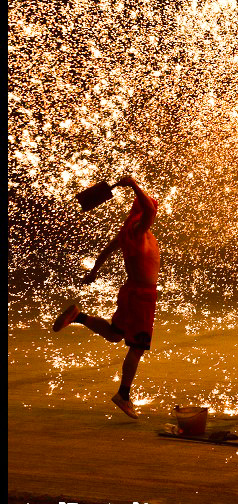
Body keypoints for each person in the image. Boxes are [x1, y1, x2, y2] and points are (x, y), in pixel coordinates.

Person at [52, 176, 160, 419]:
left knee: (114, 333)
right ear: (143, 211)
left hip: (132, 291)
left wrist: (93, 272)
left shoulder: (128, 232)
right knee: (137, 347)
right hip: (141, 296)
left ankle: (78, 316)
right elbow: (149, 208)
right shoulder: (138, 229)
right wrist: (133, 185)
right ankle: (123, 394)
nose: (155, 212)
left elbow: (107, 250)